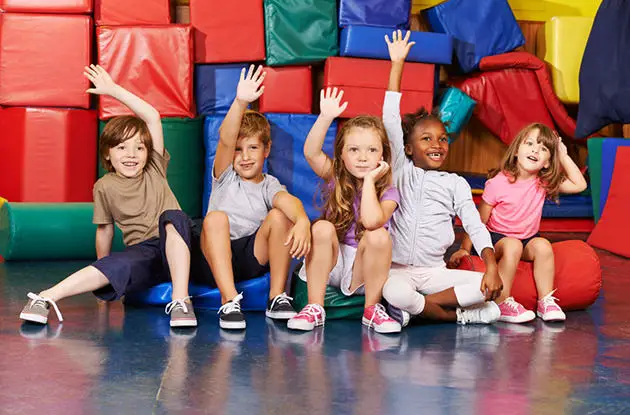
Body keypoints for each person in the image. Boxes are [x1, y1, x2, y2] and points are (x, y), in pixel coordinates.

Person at [20, 65, 200, 328]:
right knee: (118, 262)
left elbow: (151, 116)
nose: (131, 155)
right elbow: (104, 230)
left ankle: (182, 302)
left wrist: (113, 90)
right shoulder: (104, 186)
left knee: (174, 217)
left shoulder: (154, 168)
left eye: (139, 148)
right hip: (146, 252)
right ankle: (45, 298)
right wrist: (105, 271)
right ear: (107, 154)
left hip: (181, 242)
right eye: (122, 147)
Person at [381, 30, 502, 327]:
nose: (437, 144)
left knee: (487, 288)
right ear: (408, 148)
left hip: (435, 273)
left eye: (443, 139)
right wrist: (397, 64)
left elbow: (474, 225)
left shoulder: (455, 183)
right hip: (397, 271)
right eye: (426, 138)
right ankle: (456, 316)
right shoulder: (401, 169)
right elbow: (390, 118)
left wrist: (491, 267)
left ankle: (419, 311)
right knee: (392, 290)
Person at [201, 65, 311, 330]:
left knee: (279, 215)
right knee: (215, 218)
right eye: (239, 150)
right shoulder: (225, 175)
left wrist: (303, 221)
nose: (245, 156)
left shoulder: (268, 185)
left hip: (251, 256)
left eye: (253, 148)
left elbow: (288, 202)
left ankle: (277, 297)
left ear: (266, 150)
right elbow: (226, 140)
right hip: (216, 254)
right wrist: (241, 101)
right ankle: (229, 301)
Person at [287, 87, 402, 334]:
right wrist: (325, 117)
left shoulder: (389, 192)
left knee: (379, 234)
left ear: (383, 155)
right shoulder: (336, 175)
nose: (363, 158)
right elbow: (311, 152)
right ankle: (315, 307)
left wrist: (370, 181)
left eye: (372, 150)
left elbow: (371, 221)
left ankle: (372, 310)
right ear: (341, 154)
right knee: (322, 227)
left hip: (363, 269)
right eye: (354, 150)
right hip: (331, 262)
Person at [449, 123, 587, 323]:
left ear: (547, 162)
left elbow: (580, 185)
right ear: (516, 152)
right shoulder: (498, 182)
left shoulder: (543, 182)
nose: (535, 150)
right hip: (496, 241)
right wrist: (464, 248)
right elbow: (479, 221)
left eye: (543, 148)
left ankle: (546, 301)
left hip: (527, 240)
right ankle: (502, 302)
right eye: (529, 143)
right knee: (512, 244)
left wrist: (563, 155)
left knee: (543, 246)